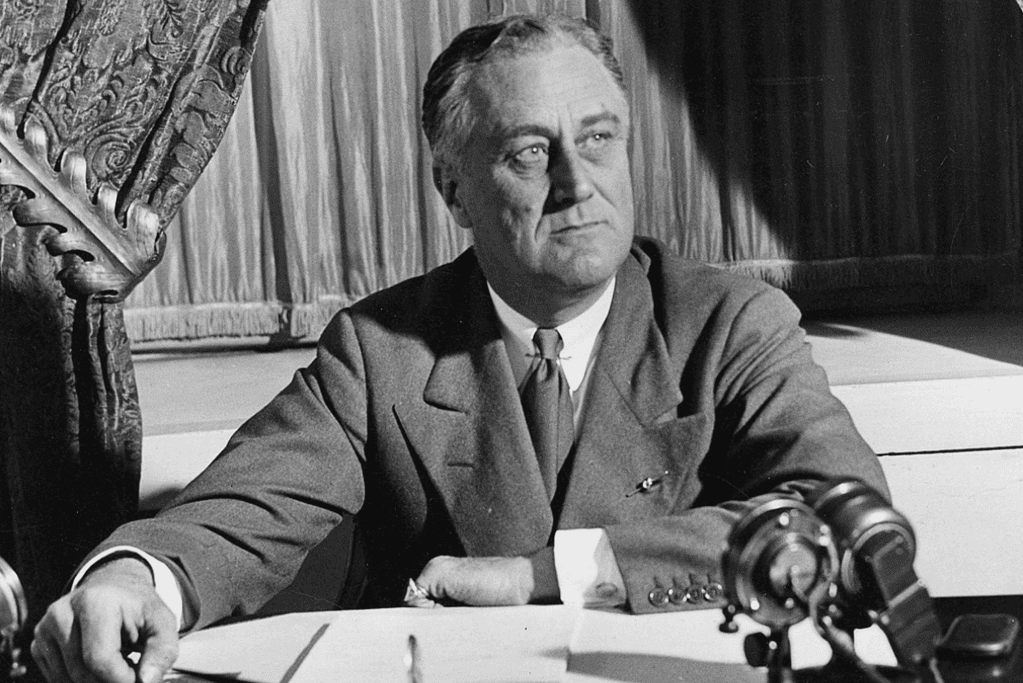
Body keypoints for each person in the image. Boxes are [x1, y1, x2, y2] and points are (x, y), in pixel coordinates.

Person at [31, 13, 887, 683]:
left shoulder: (732, 322)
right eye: (529, 151)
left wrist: (542, 574)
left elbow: (847, 521)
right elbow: (237, 515)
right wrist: (134, 578)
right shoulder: (378, 351)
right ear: (453, 186)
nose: (576, 182)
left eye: (598, 138)